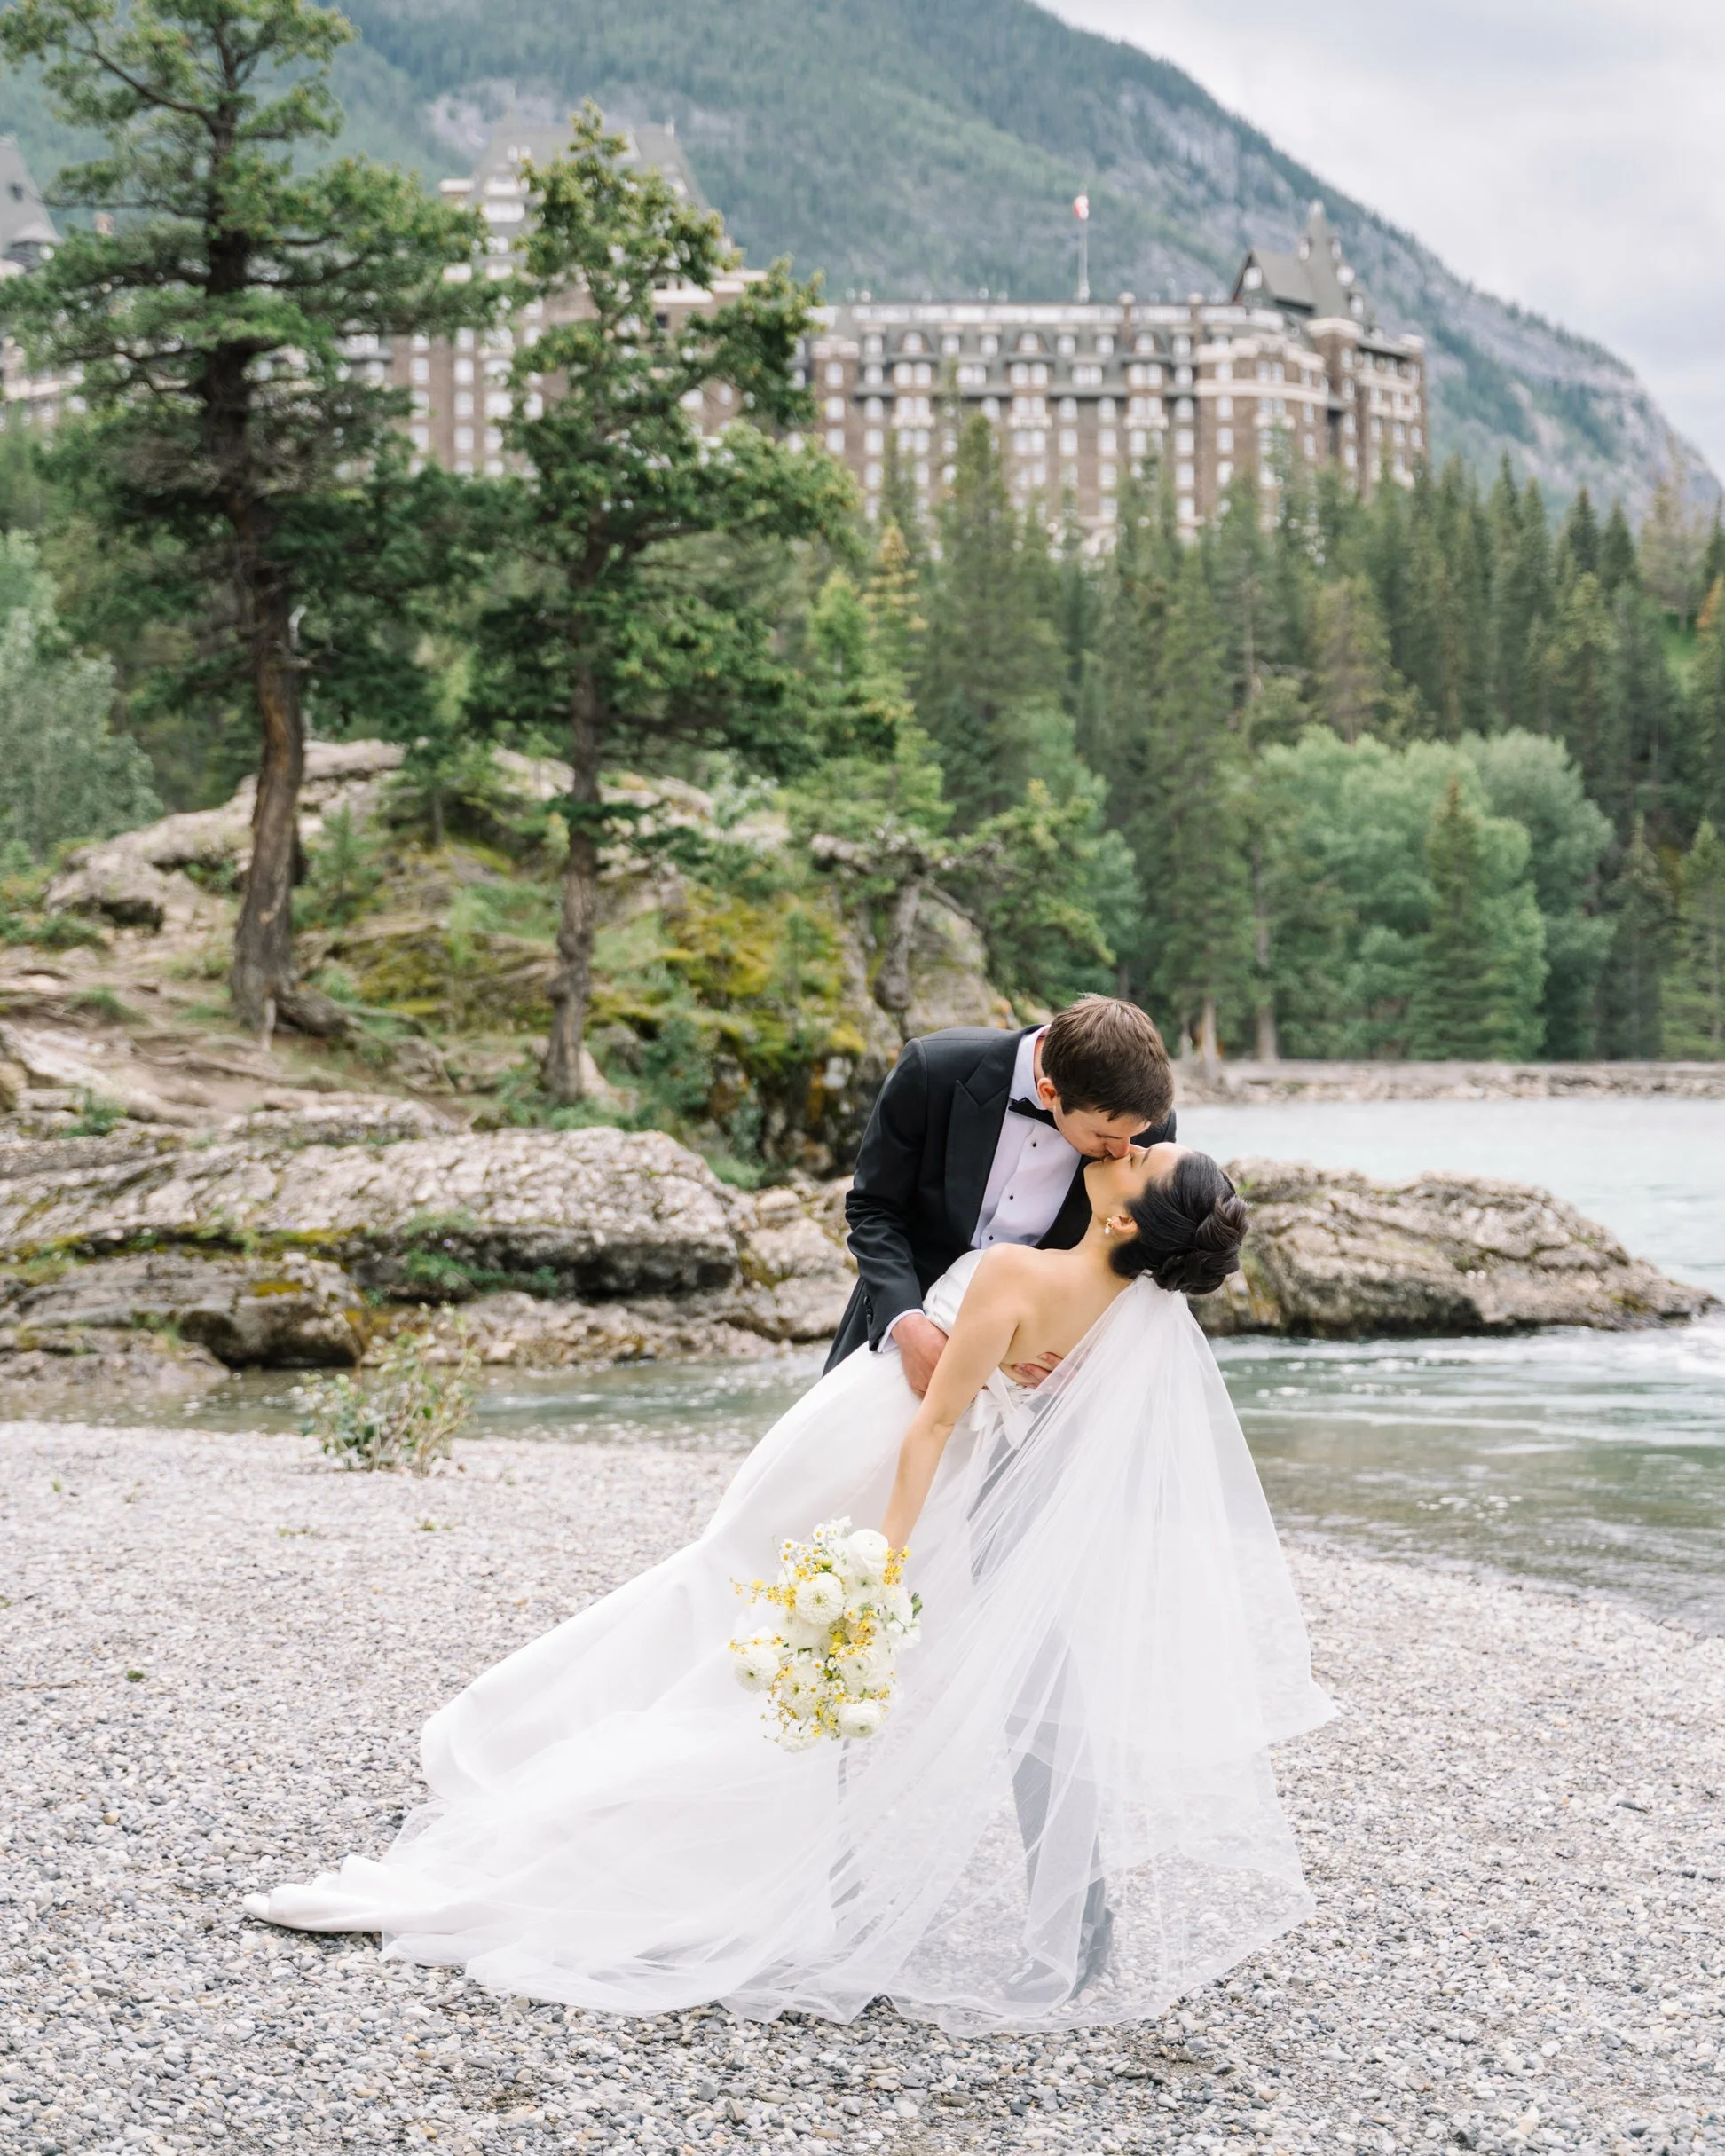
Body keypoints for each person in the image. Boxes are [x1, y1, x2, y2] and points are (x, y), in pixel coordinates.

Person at [244, 1141, 1333, 2034]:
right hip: (956, 1499)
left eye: (1147, 1156)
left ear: (1126, 1221)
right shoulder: (1126, 1317)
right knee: (762, 1647)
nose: (1133, 1145)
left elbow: (933, 1426)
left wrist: (881, 1566)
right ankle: (772, 1864)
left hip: (874, 1469)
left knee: (743, 1618)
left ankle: (641, 1834)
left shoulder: (1015, 1274)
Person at [829, 995, 1178, 1393]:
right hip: (901, 1332)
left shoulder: (1143, 1129)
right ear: (1049, 1094)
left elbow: (1132, 1257)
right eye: (1103, 1137)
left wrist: (1084, 1350)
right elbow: (873, 1207)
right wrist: (908, 1327)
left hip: (1031, 1375)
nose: (1122, 1152)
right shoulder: (933, 1069)